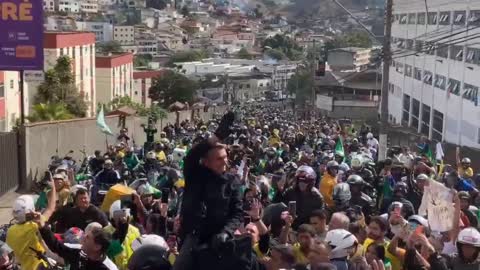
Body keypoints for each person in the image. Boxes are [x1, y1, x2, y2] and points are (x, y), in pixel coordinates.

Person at [175, 112, 244, 270]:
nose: (225, 162)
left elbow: (237, 213)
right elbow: (191, 156)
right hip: (194, 237)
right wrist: (215, 138)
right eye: (219, 159)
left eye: (225, 157)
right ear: (206, 162)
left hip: (219, 239)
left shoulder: (232, 182)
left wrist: (227, 232)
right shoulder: (195, 175)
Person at [33, 211, 118, 270]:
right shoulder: (79, 253)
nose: (83, 237)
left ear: (97, 246)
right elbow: (56, 246)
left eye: (88, 237)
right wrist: (42, 226)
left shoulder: (109, 267)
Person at [103, 200, 141, 270]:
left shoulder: (135, 231)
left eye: (124, 214)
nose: (122, 218)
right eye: (118, 215)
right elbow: (108, 253)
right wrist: (119, 235)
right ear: (112, 217)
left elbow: (138, 251)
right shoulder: (105, 231)